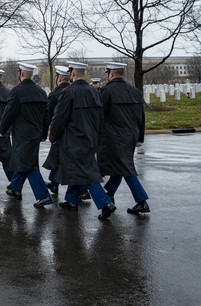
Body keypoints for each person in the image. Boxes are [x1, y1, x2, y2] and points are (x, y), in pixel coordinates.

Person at [49, 61, 117, 220]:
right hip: (91, 137)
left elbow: (59, 118)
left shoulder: (68, 92)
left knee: (86, 172)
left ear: (72, 73)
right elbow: (101, 117)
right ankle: (71, 200)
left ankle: (105, 203)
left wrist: (53, 136)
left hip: (74, 139)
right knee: (80, 168)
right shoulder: (94, 92)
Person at [0, 62, 53, 208]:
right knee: (25, 161)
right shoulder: (41, 92)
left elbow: (8, 113)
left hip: (22, 134)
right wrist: (43, 133)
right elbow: (46, 116)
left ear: (21, 74)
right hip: (35, 133)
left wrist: (1, 130)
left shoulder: (16, 91)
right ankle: (15, 188)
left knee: (29, 165)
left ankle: (43, 195)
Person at [98, 62, 150, 215]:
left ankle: (141, 201)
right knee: (119, 167)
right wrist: (140, 136)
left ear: (111, 74)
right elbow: (141, 115)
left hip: (114, 136)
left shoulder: (106, 91)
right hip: (131, 135)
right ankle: (108, 194)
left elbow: (99, 115)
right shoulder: (134, 91)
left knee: (125, 168)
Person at [42, 65, 71, 194]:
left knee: (60, 158)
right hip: (74, 131)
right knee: (58, 158)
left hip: (60, 131)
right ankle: (54, 182)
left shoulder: (55, 94)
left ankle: (81, 189)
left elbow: (49, 114)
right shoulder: (73, 90)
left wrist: (48, 131)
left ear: (58, 78)